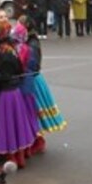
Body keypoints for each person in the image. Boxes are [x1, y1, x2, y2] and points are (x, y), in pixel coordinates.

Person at [0, 10, 40, 169]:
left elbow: (4, 75)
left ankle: (13, 159)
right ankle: (20, 158)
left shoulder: (4, 52)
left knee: (8, 127)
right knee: (17, 125)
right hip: (14, 92)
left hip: (7, 93)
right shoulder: (12, 48)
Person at [20, 21, 66, 150]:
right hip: (29, 78)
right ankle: (35, 138)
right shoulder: (28, 42)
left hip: (32, 80)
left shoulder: (31, 44)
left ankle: (38, 139)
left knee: (35, 110)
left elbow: (33, 64)